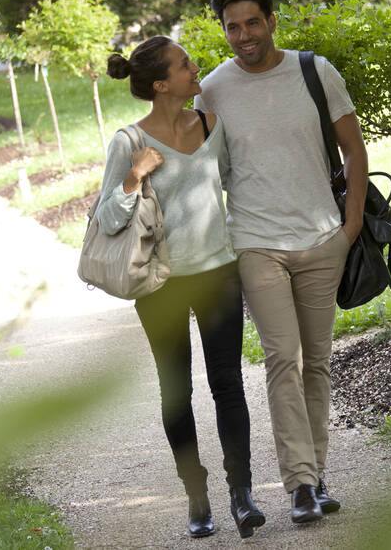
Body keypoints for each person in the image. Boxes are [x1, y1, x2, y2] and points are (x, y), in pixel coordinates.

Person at [195, 0, 369, 523]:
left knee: (316, 362)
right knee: (282, 359)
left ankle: (315, 477)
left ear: (272, 21)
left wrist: (350, 227)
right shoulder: (214, 90)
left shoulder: (315, 72)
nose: (243, 35)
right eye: (232, 27)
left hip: (323, 238)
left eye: (252, 23)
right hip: (255, 242)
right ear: (223, 31)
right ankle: (298, 485)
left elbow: (354, 150)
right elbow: (198, 166)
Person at [99, 35, 265, 540]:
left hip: (217, 272)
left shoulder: (212, 125)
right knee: (177, 390)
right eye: (185, 64)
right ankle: (196, 493)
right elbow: (107, 217)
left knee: (228, 386)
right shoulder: (129, 142)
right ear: (160, 83)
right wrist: (134, 178)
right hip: (161, 283)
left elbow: (237, 186)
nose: (196, 69)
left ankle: (242, 493)